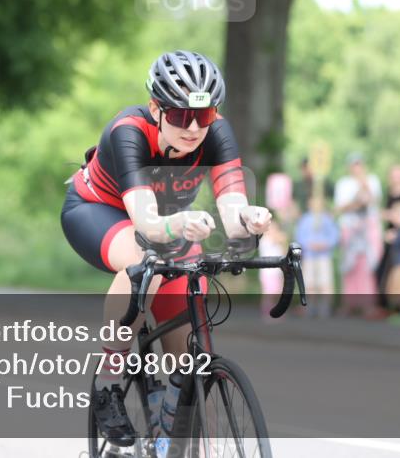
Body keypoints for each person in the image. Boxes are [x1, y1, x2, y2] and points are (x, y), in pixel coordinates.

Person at [60, 50, 272, 446]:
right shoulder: (128, 132)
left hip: (167, 222)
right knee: (145, 264)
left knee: (184, 346)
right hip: (99, 211)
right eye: (179, 116)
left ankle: (170, 413)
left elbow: (232, 206)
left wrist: (250, 219)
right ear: (156, 108)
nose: (193, 128)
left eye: (204, 116)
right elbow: (147, 222)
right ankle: (108, 382)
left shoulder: (217, 132)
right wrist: (178, 226)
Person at [333, 152, 383, 317]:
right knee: (349, 267)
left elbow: (372, 200)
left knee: (367, 266)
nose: (357, 168)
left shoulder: (372, 180)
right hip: (350, 228)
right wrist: (356, 203)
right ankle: (349, 304)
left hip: (368, 229)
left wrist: (363, 184)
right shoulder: (343, 184)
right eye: (354, 164)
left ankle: (368, 304)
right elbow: (341, 207)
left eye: (359, 164)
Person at [294, 192, 339, 318]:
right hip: (309, 256)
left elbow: (334, 236)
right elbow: (299, 237)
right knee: (309, 283)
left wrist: (325, 244)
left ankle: (325, 309)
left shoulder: (327, 219)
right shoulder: (305, 220)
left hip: (324, 256)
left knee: (325, 283)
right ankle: (309, 309)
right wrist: (309, 245)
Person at [377, 164, 400, 314]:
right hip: (389, 238)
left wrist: (392, 216)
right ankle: (387, 306)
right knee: (386, 274)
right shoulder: (387, 194)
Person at [258, 219, 288, 322]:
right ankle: (267, 313)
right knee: (269, 294)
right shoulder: (265, 240)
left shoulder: (276, 240)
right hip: (268, 273)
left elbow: (284, 253)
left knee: (277, 293)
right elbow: (277, 239)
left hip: (277, 272)